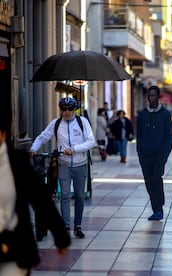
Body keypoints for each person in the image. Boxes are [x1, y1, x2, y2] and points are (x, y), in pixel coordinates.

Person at [0, 116, 71, 275]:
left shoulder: (17, 163)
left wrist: (61, 238)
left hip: (14, 249)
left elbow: (41, 200)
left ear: (3, 134)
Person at [30, 97, 96, 239]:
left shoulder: (82, 122)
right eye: (64, 109)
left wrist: (74, 149)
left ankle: (77, 226)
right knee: (65, 195)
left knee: (79, 196)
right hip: (63, 164)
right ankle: (65, 226)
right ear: (60, 110)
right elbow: (42, 137)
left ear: (74, 109)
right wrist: (33, 149)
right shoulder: (56, 124)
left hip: (80, 164)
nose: (67, 112)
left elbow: (91, 141)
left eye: (70, 109)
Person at [136, 85, 172, 221]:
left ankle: (159, 208)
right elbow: (139, 135)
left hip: (159, 155)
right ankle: (155, 208)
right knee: (148, 182)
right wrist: (140, 153)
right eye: (149, 95)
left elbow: (169, 136)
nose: (151, 98)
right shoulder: (142, 115)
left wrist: (164, 154)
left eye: (153, 95)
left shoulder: (165, 114)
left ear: (158, 97)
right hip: (145, 155)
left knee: (156, 179)